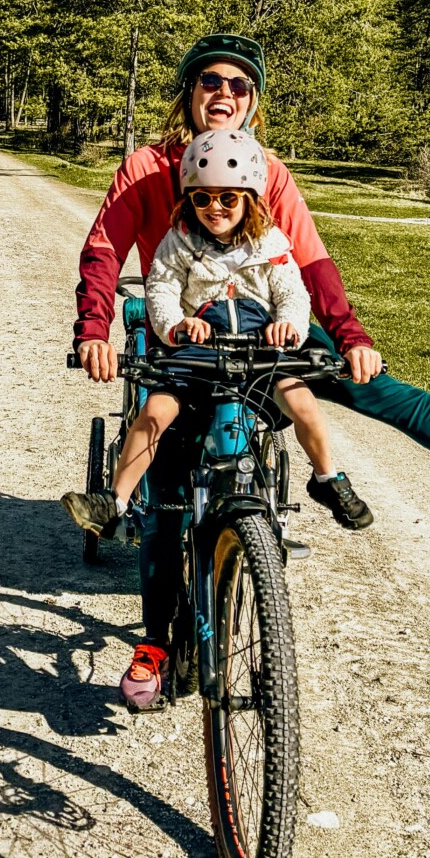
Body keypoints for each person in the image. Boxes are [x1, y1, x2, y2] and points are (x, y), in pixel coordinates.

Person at [74, 32, 430, 712]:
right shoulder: (146, 166)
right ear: (189, 92)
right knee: (165, 487)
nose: (224, 93)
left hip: (265, 324)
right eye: (211, 81)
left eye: (239, 86)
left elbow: (309, 265)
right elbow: (106, 250)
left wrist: (352, 337)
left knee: (370, 385)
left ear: (253, 102)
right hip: (183, 329)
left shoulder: (267, 172)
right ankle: (158, 642)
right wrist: (94, 330)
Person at [61, 128, 352, 549]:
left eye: (228, 198)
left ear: (249, 198)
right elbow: (160, 289)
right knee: (154, 412)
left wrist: (288, 326)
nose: (214, 208)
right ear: (188, 199)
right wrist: (177, 325)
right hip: (197, 351)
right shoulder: (178, 242)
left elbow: (293, 292)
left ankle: (326, 477)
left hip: (260, 352)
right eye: (202, 198)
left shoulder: (271, 244)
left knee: (303, 402)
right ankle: (115, 500)